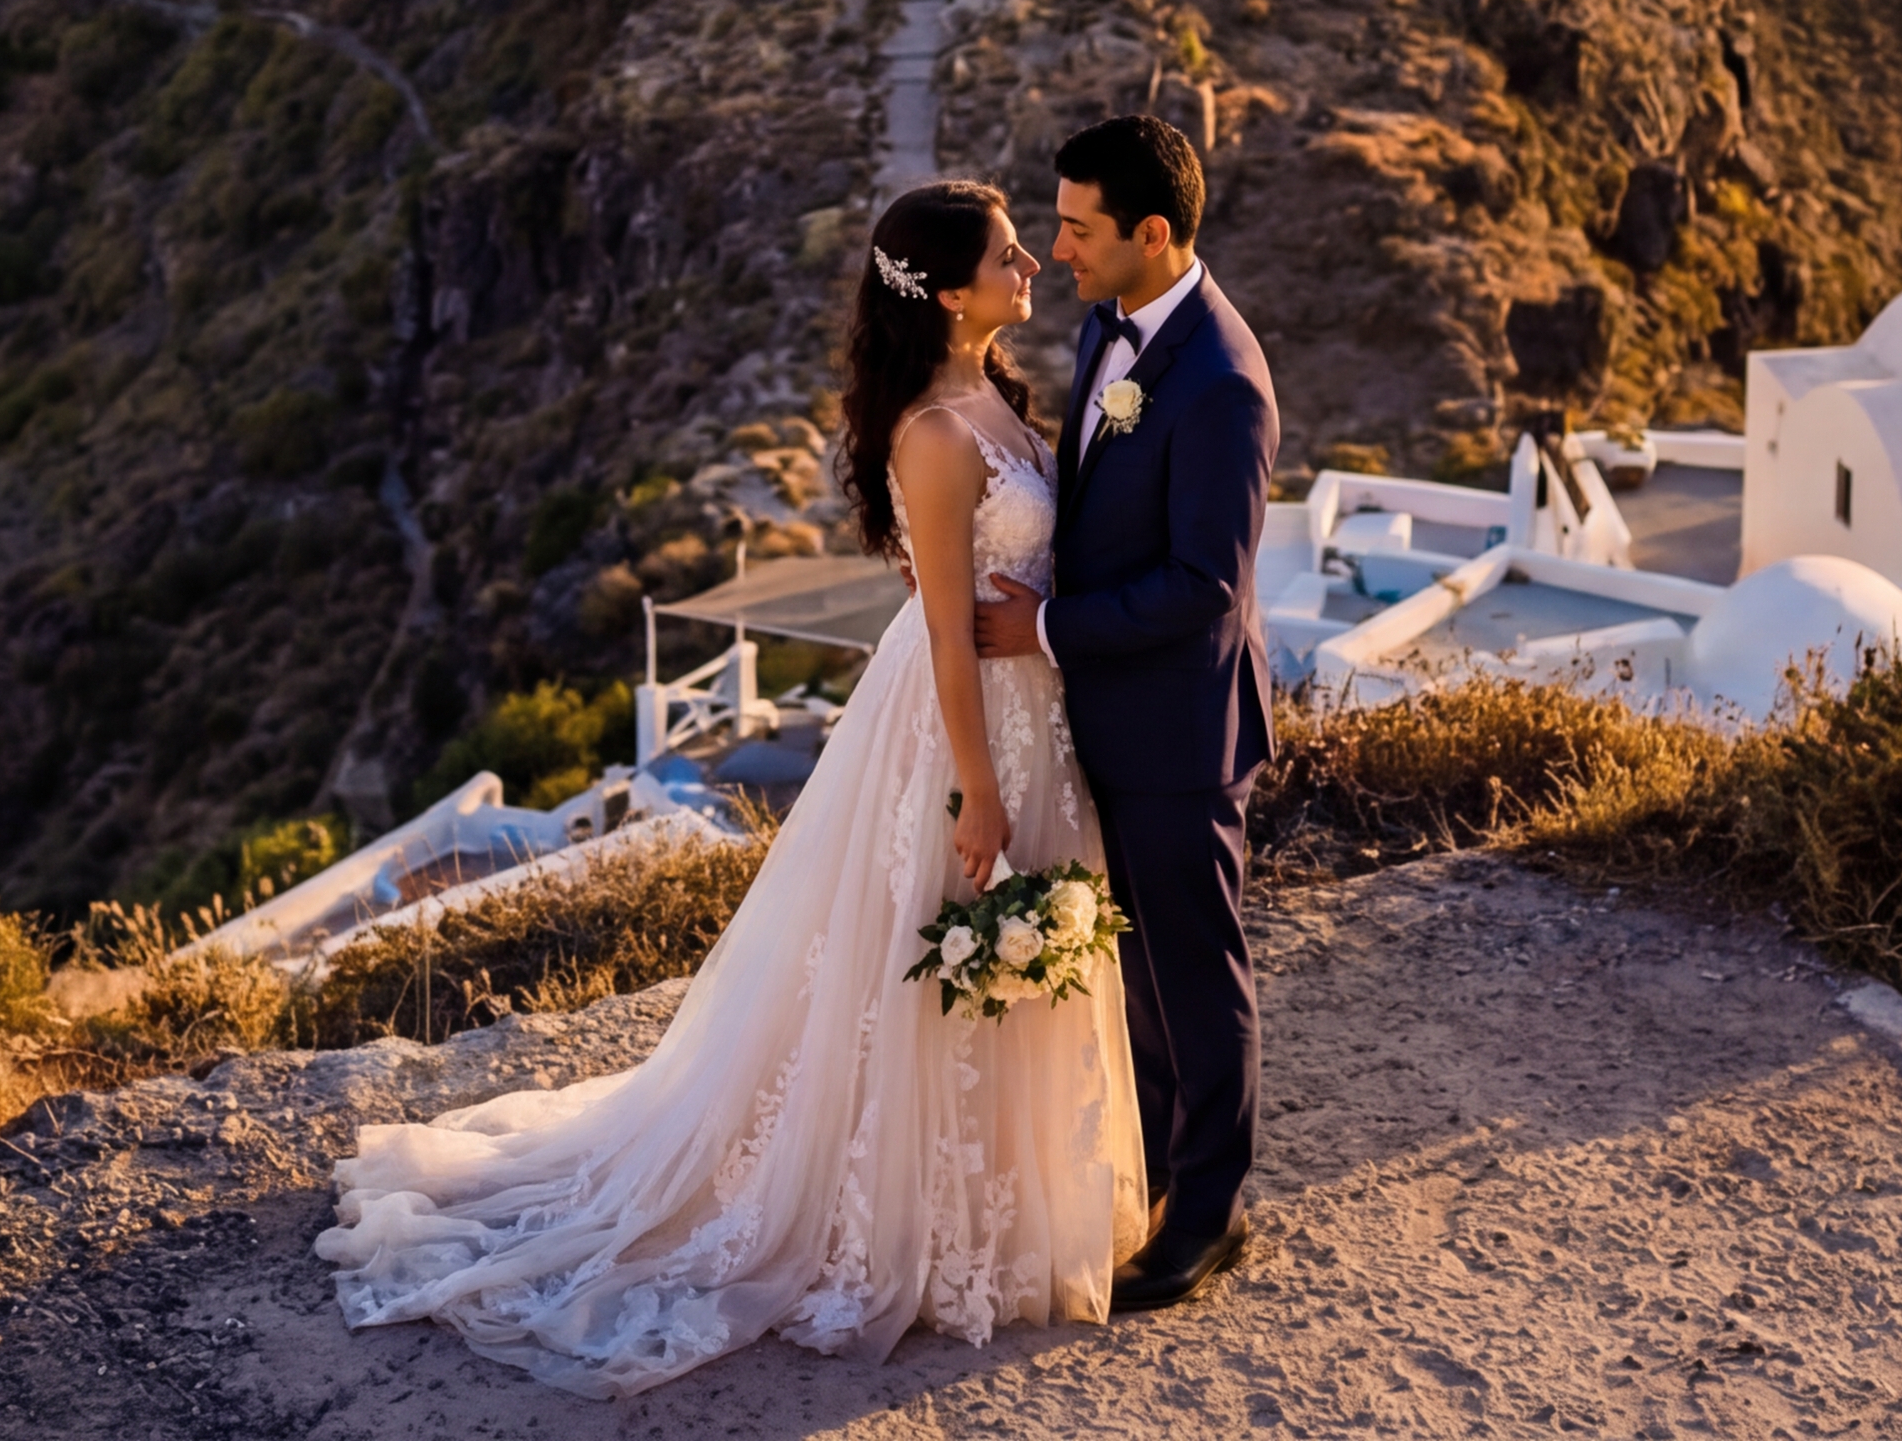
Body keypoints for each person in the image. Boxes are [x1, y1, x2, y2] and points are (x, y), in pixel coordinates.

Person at [316, 179, 1147, 1394]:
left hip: (1034, 712)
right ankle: (889, 1214)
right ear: (951, 288)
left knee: (999, 955)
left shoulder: (998, 399)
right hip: (958, 722)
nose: (1031, 259)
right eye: (1005, 250)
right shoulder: (931, 431)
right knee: (937, 942)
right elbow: (945, 631)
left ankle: (999, 1205)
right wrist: (977, 786)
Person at [977, 107, 1277, 1311]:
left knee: (1195, 976)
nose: (1057, 248)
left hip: (1178, 732)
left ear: (1153, 232)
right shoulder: (1111, 322)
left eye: (1079, 226)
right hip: (1106, 716)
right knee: (1138, 971)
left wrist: (1041, 628)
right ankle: (1149, 1175)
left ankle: (1208, 1215)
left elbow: (1204, 583)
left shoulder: (1220, 382)